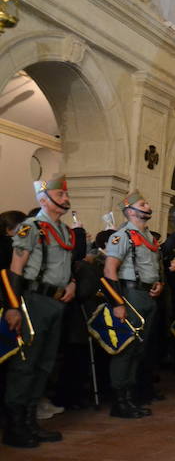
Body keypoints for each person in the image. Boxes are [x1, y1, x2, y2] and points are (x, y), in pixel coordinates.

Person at [1, 176, 77, 448]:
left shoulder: (66, 231)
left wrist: (72, 282)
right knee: (26, 365)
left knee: (45, 365)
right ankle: (15, 426)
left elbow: (66, 266)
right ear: (44, 199)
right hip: (33, 300)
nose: (66, 198)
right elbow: (15, 269)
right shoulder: (29, 228)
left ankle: (32, 420)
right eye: (60, 194)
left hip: (57, 302)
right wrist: (12, 307)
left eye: (66, 194)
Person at [100, 191, 175, 419]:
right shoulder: (122, 236)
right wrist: (117, 302)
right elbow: (109, 270)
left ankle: (130, 396)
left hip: (147, 295)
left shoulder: (149, 238)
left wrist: (158, 284)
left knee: (138, 350)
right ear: (130, 211)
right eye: (142, 203)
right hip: (130, 295)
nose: (148, 205)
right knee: (125, 349)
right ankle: (119, 401)